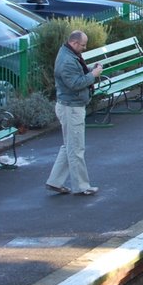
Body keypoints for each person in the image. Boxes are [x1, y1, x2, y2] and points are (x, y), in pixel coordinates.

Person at [45, 30, 103, 196]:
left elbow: (75, 77)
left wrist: (91, 71)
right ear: (74, 43)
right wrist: (93, 74)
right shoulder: (68, 60)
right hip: (71, 108)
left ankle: (55, 182)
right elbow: (75, 84)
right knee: (76, 148)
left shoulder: (67, 54)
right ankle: (82, 186)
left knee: (69, 146)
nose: (84, 48)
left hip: (70, 106)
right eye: (83, 45)